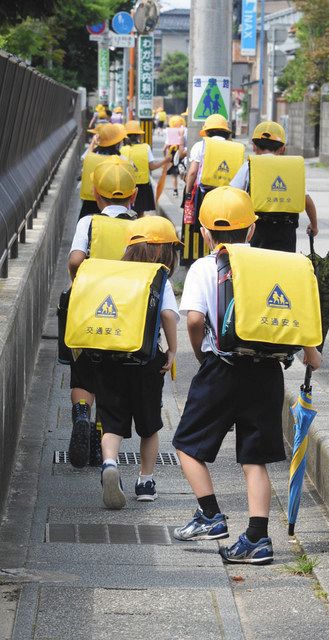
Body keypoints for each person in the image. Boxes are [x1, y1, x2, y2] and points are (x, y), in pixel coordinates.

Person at [172, 186, 322, 564]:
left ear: (204, 232)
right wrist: (309, 351)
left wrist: (200, 352)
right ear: (252, 230)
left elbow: (194, 319)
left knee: (187, 443)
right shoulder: (277, 262)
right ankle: (257, 539)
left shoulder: (205, 267)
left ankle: (210, 515)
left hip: (221, 368)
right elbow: (298, 314)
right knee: (253, 458)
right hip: (268, 371)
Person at [95, 216, 180, 508]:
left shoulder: (112, 272)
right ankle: (145, 480)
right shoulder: (159, 278)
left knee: (112, 422)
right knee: (149, 425)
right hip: (146, 361)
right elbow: (168, 315)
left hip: (110, 358)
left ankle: (109, 463)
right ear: (159, 251)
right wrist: (172, 349)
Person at [68, 157, 138, 468]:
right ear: (133, 196)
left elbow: (75, 259)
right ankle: (100, 433)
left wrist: (81, 282)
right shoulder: (139, 227)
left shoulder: (88, 223)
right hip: (125, 311)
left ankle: (82, 412)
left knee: (84, 368)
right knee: (113, 373)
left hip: (90, 306)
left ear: (96, 196)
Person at [230, 121, 318, 253]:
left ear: (254, 146)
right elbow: (306, 200)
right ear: (283, 148)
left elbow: (233, 194)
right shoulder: (291, 168)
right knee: (283, 268)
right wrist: (314, 225)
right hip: (286, 231)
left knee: (257, 266)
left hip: (257, 229)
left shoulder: (249, 166)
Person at [181, 114, 244, 266]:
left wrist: (188, 192)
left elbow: (192, 172)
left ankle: (202, 260)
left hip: (205, 194)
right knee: (224, 229)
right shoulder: (235, 147)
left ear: (207, 131)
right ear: (225, 132)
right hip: (228, 195)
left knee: (203, 226)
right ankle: (222, 259)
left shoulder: (201, 145)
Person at [120, 120, 171, 216]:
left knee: (126, 212)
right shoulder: (146, 147)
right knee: (140, 213)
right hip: (143, 186)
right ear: (139, 135)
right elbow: (152, 167)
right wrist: (165, 160)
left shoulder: (122, 150)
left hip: (127, 185)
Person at [79, 123, 127, 219]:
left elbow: (84, 158)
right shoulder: (122, 159)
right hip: (112, 203)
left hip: (89, 202)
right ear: (117, 142)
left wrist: (93, 143)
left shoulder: (90, 157)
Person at [164, 115, 186, 197]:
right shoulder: (184, 131)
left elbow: (165, 147)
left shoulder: (169, 132)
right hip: (182, 153)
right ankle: (186, 188)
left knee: (174, 175)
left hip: (172, 153)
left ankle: (175, 191)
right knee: (183, 172)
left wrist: (165, 157)